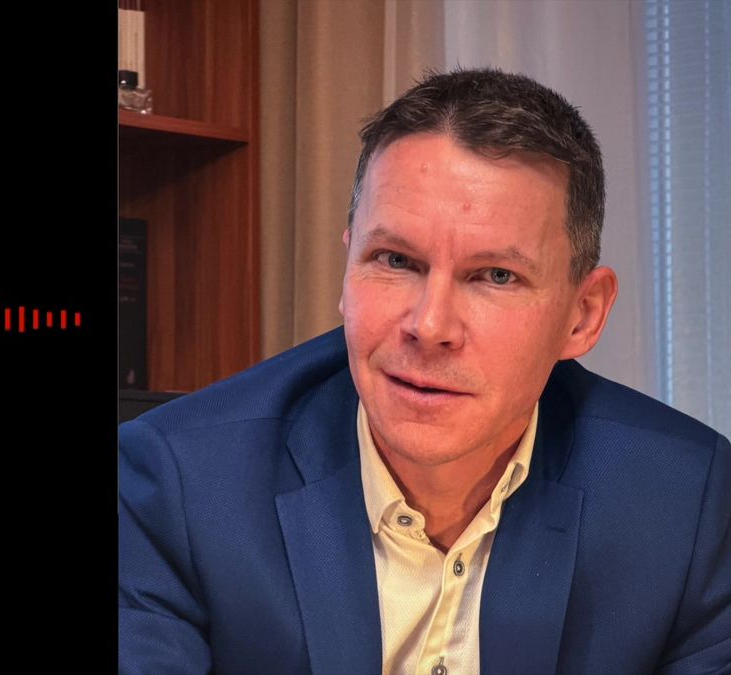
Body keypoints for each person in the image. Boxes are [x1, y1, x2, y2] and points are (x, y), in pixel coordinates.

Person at [117, 68, 730, 674]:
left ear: (582, 314)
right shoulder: (176, 484)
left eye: (496, 276)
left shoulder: (685, 501)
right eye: (395, 260)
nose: (430, 325)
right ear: (347, 270)